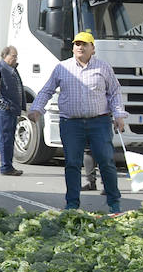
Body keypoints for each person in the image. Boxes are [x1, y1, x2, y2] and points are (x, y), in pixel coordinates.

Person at [26, 31, 127, 213]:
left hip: (100, 122)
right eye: (77, 44)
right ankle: (72, 204)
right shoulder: (62, 68)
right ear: (73, 48)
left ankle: (114, 203)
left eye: (84, 44)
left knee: (106, 161)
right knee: (72, 163)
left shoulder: (103, 68)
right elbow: (46, 90)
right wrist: (36, 109)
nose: (80, 47)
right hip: (71, 124)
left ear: (93, 49)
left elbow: (114, 92)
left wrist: (119, 115)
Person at [0, 46, 26, 176]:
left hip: (10, 110)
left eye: (16, 56)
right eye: (13, 56)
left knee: (9, 139)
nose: (15, 58)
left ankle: (8, 166)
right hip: (3, 111)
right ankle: (6, 167)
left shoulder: (12, 69)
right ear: (5, 56)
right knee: (5, 138)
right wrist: (5, 106)